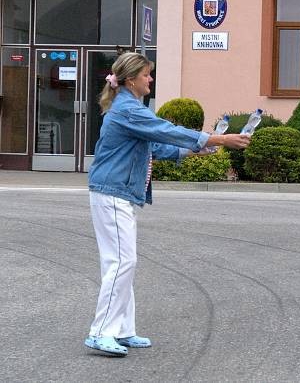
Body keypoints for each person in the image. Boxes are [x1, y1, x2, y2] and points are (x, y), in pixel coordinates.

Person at [84, 52, 250, 356]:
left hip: (114, 192)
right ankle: (100, 332)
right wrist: (217, 140)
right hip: (112, 192)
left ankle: (122, 330)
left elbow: (157, 146)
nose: (150, 79)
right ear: (131, 79)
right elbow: (166, 130)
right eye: (146, 74)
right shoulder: (128, 109)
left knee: (120, 262)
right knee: (122, 262)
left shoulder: (129, 108)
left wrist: (201, 149)